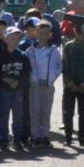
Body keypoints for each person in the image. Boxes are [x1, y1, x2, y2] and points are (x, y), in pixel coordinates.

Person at [25, 18, 60, 148]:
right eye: (40, 33)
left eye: (46, 33)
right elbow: (27, 68)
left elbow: (59, 66)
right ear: (36, 33)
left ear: (50, 35)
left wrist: (52, 78)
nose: (43, 36)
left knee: (46, 111)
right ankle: (35, 135)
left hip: (48, 85)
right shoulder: (30, 51)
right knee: (35, 110)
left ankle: (45, 134)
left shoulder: (54, 50)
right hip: (35, 85)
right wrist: (33, 78)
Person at [61, 17, 84, 148]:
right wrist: (70, 83)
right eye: (78, 30)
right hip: (70, 86)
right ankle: (68, 137)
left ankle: (83, 137)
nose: (81, 33)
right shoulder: (68, 46)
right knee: (68, 113)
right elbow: (65, 66)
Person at [0, 25, 28, 150]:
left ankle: (17, 140)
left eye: (17, 38)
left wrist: (17, 82)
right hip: (4, 90)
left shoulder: (23, 56)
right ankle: (3, 139)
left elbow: (26, 73)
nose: (14, 41)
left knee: (18, 116)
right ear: (6, 39)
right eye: (12, 38)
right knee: (3, 115)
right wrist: (7, 80)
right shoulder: (0, 56)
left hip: (18, 90)